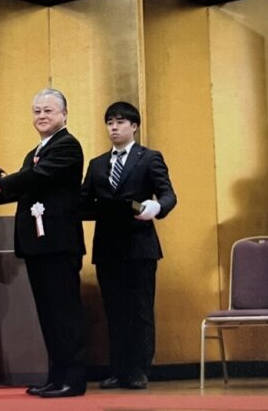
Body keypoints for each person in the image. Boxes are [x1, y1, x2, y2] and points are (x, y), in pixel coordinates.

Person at [0, 88, 87, 398]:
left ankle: (73, 380)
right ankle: (56, 377)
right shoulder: (36, 150)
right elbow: (25, 184)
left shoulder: (67, 146)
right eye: (37, 111)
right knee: (48, 314)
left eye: (48, 110)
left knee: (65, 314)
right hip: (37, 245)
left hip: (59, 244)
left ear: (64, 115)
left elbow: (37, 177)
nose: (42, 116)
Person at [79, 101, 176, 390]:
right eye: (110, 122)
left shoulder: (149, 158)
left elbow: (168, 194)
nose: (114, 127)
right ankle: (118, 370)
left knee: (140, 310)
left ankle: (139, 370)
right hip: (107, 247)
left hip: (139, 246)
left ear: (134, 126)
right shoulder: (97, 164)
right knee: (114, 311)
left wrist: (156, 207)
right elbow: (84, 201)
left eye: (120, 122)